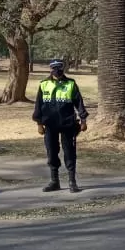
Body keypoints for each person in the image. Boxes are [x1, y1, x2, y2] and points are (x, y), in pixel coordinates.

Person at [33, 59, 88, 193]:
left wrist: (83, 120)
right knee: (51, 152)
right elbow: (38, 105)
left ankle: (72, 182)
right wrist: (39, 124)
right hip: (50, 125)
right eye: (54, 68)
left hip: (68, 124)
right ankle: (54, 181)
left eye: (59, 68)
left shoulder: (71, 84)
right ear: (50, 69)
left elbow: (78, 103)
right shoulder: (44, 84)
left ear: (63, 69)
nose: (57, 71)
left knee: (69, 152)